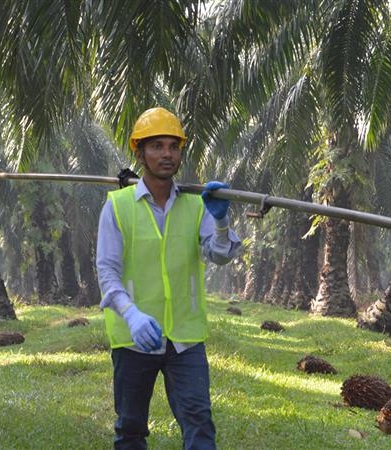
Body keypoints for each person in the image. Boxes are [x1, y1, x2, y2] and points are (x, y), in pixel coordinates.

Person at [96, 107, 242, 450]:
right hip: (134, 339)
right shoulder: (117, 206)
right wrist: (131, 316)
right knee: (130, 428)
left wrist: (221, 223)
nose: (166, 154)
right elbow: (107, 271)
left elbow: (219, 255)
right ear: (140, 152)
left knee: (199, 423)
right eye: (157, 146)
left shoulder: (196, 205)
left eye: (173, 146)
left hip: (185, 339)